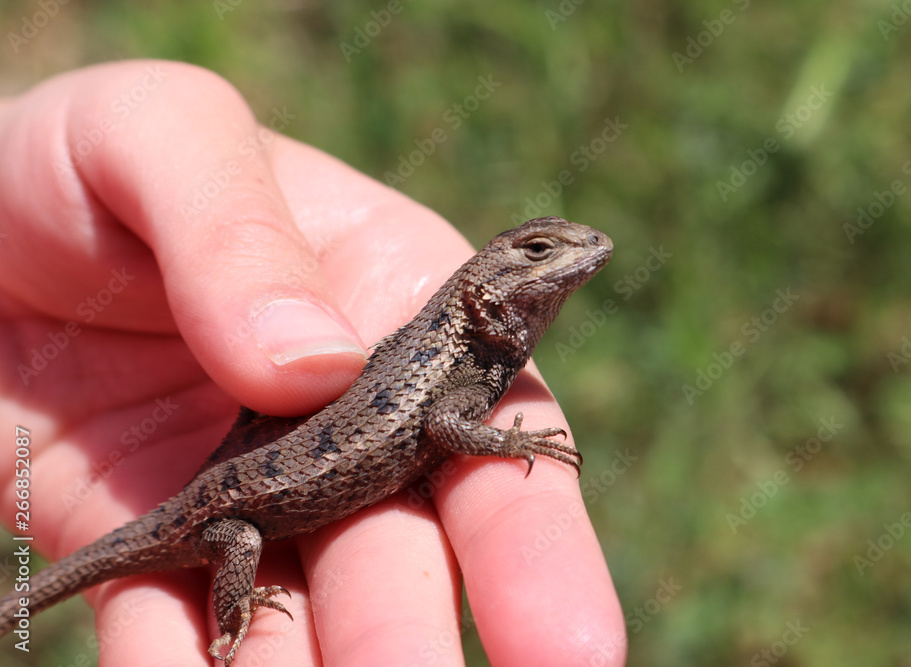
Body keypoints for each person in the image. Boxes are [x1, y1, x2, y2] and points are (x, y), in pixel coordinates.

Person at [0, 60, 626, 665]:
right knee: (241, 539)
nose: (585, 249)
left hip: (237, 476)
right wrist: (510, 442)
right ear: (482, 294)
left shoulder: (463, 352)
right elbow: (446, 425)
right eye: (539, 250)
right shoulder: (461, 361)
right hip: (221, 517)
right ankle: (232, 621)